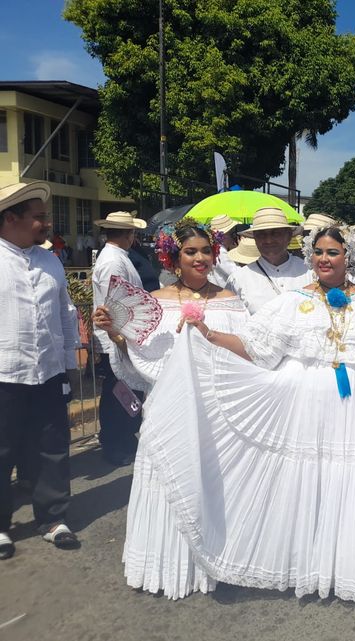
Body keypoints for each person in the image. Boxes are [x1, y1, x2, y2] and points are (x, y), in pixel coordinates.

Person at [100, 224, 355, 601]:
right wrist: (209, 335)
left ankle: (352, 563)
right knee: (310, 484)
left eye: (333, 252)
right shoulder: (291, 302)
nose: (324, 259)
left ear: (351, 257)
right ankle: (310, 561)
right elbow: (256, 348)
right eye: (318, 252)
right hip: (306, 411)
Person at [94, 217, 248, 597]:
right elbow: (144, 360)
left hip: (216, 406)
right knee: (167, 479)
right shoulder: (156, 303)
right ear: (172, 259)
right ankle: (166, 562)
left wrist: (210, 336)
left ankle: (217, 557)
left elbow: (247, 351)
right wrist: (116, 333)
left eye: (206, 250)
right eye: (189, 251)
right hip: (167, 403)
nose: (199, 258)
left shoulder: (231, 302)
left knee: (214, 477)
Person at [0, 181, 81, 559]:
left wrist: (70, 364)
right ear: (10, 219)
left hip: (47, 372)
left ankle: (52, 519)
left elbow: (66, 314)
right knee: (2, 451)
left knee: (51, 447)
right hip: (5, 374)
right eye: (39, 218)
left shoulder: (50, 261)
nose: (46, 224)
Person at [92, 211, 148, 466]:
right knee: (118, 394)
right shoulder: (114, 261)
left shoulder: (116, 258)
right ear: (129, 234)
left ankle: (123, 437)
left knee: (125, 393)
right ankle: (115, 442)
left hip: (121, 335)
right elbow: (114, 303)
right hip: (116, 337)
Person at [226, 207, 311, 314]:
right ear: (255, 238)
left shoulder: (308, 272)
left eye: (276, 233)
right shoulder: (239, 279)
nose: (268, 240)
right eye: (261, 234)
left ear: (288, 236)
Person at [208, 214, 240, 287]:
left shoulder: (216, 248)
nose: (234, 237)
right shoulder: (220, 251)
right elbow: (236, 273)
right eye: (232, 234)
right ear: (224, 236)